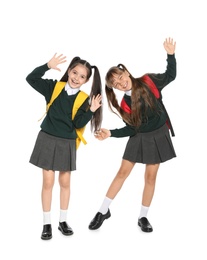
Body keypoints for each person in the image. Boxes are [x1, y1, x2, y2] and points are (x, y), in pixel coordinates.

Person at [88, 37, 176, 232]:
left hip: (158, 134)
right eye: (115, 84)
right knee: (122, 173)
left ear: (126, 71)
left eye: (120, 77)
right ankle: (103, 211)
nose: (120, 82)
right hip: (139, 137)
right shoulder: (125, 105)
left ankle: (143, 217)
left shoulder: (148, 80)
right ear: (115, 89)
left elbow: (170, 76)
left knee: (150, 178)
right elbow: (132, 129)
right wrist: (110, 133)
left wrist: (170, 55)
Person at [26, 53, 102, 240]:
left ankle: (63, 221)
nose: (76, 78)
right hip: (47, 138)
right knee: (48, 182)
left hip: (66, 142)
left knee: (65, 182)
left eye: (82, 76)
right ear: (68, 71)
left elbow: (77, 124)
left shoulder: (85, 99)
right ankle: (46, 224)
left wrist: (91, 111)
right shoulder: (54, 87)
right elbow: (31, 79)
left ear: (86, 81)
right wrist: (47, 66)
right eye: (74, 72)